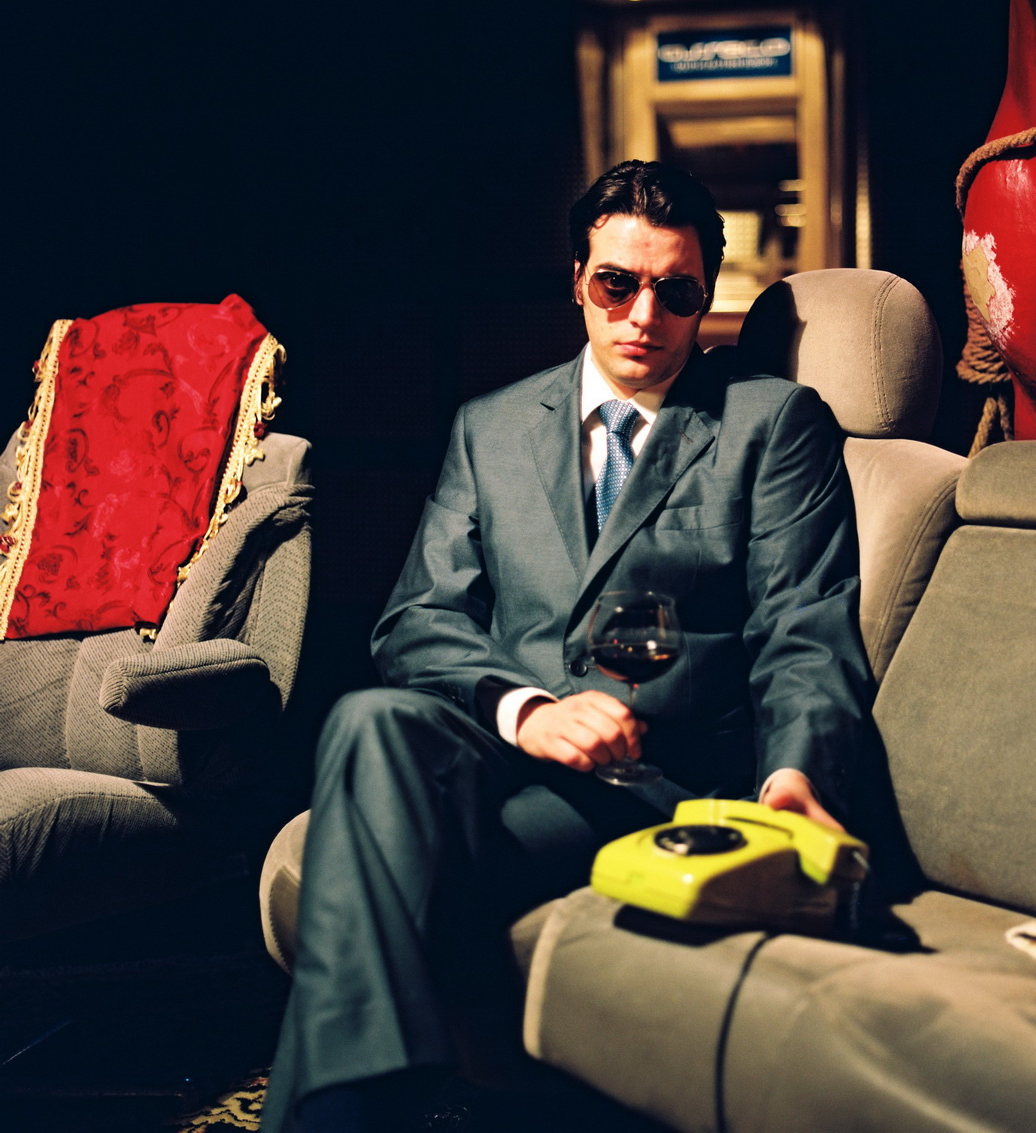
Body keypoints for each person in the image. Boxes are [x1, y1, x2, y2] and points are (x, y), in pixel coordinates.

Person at [262, 160, 874, 1132]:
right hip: (502, 748)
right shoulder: (491, 427)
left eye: (676, 292)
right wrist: (528, 710)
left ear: (705, 295)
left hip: (652, 781)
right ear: (579, 281)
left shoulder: (772, 424)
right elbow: (416, 620)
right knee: (368, 720)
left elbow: (804, 628)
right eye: (617, 284)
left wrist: (795, 773)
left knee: (373, 852)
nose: (644, 316)